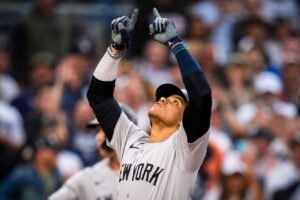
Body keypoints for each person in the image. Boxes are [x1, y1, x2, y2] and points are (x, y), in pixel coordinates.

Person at [87, 8, 212, 200]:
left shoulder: (185, 148)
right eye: (163, 97)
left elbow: (202, 95)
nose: (163, 99)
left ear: (185, 120)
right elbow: (98, 97)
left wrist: (176, 44)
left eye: (175, 101)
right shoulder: (131, 139)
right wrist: (115, 50)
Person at [49, 104, 137, 200]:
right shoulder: (87, 177)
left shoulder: (148, 169)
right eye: (97, 131)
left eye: (104, 130)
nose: (98, 137)